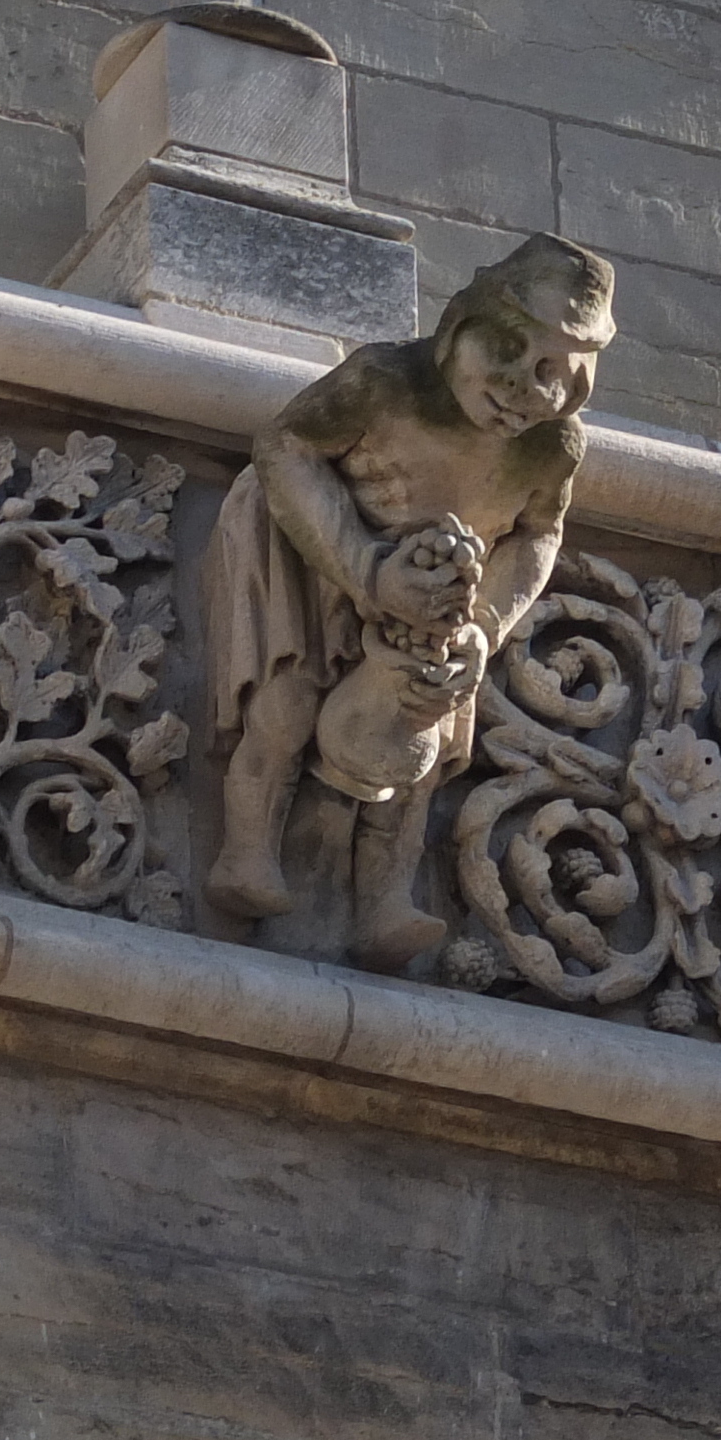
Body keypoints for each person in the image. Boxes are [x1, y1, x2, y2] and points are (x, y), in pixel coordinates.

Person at [201, 234, 615, 963]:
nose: (527, 389)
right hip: (324, 552)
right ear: (463, 327)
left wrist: (486, 625)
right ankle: (247, 849)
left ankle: (386, 899)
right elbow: (285, 448)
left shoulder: (551, 446)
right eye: (512, 351)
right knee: (287, 700)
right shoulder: (382, 382)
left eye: (555, 372)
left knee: (420, 742)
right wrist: (362, 567)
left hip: (443, 591)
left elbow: (536, 534)